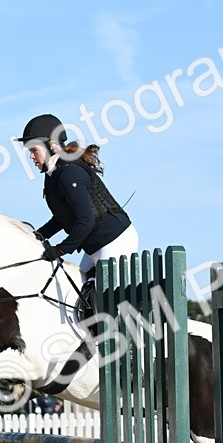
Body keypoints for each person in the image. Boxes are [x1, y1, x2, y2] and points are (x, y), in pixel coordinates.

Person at [16, 114, 139, 311]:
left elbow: (85, 220)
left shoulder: (70, 173)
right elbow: (62, 217)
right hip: (94, 246)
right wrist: (39, 235)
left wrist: (61, 249)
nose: (31, 157)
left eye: (34, 151)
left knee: (101, 302)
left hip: (114, 240)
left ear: (52, 146)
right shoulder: (53, 175)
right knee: (76, 293)